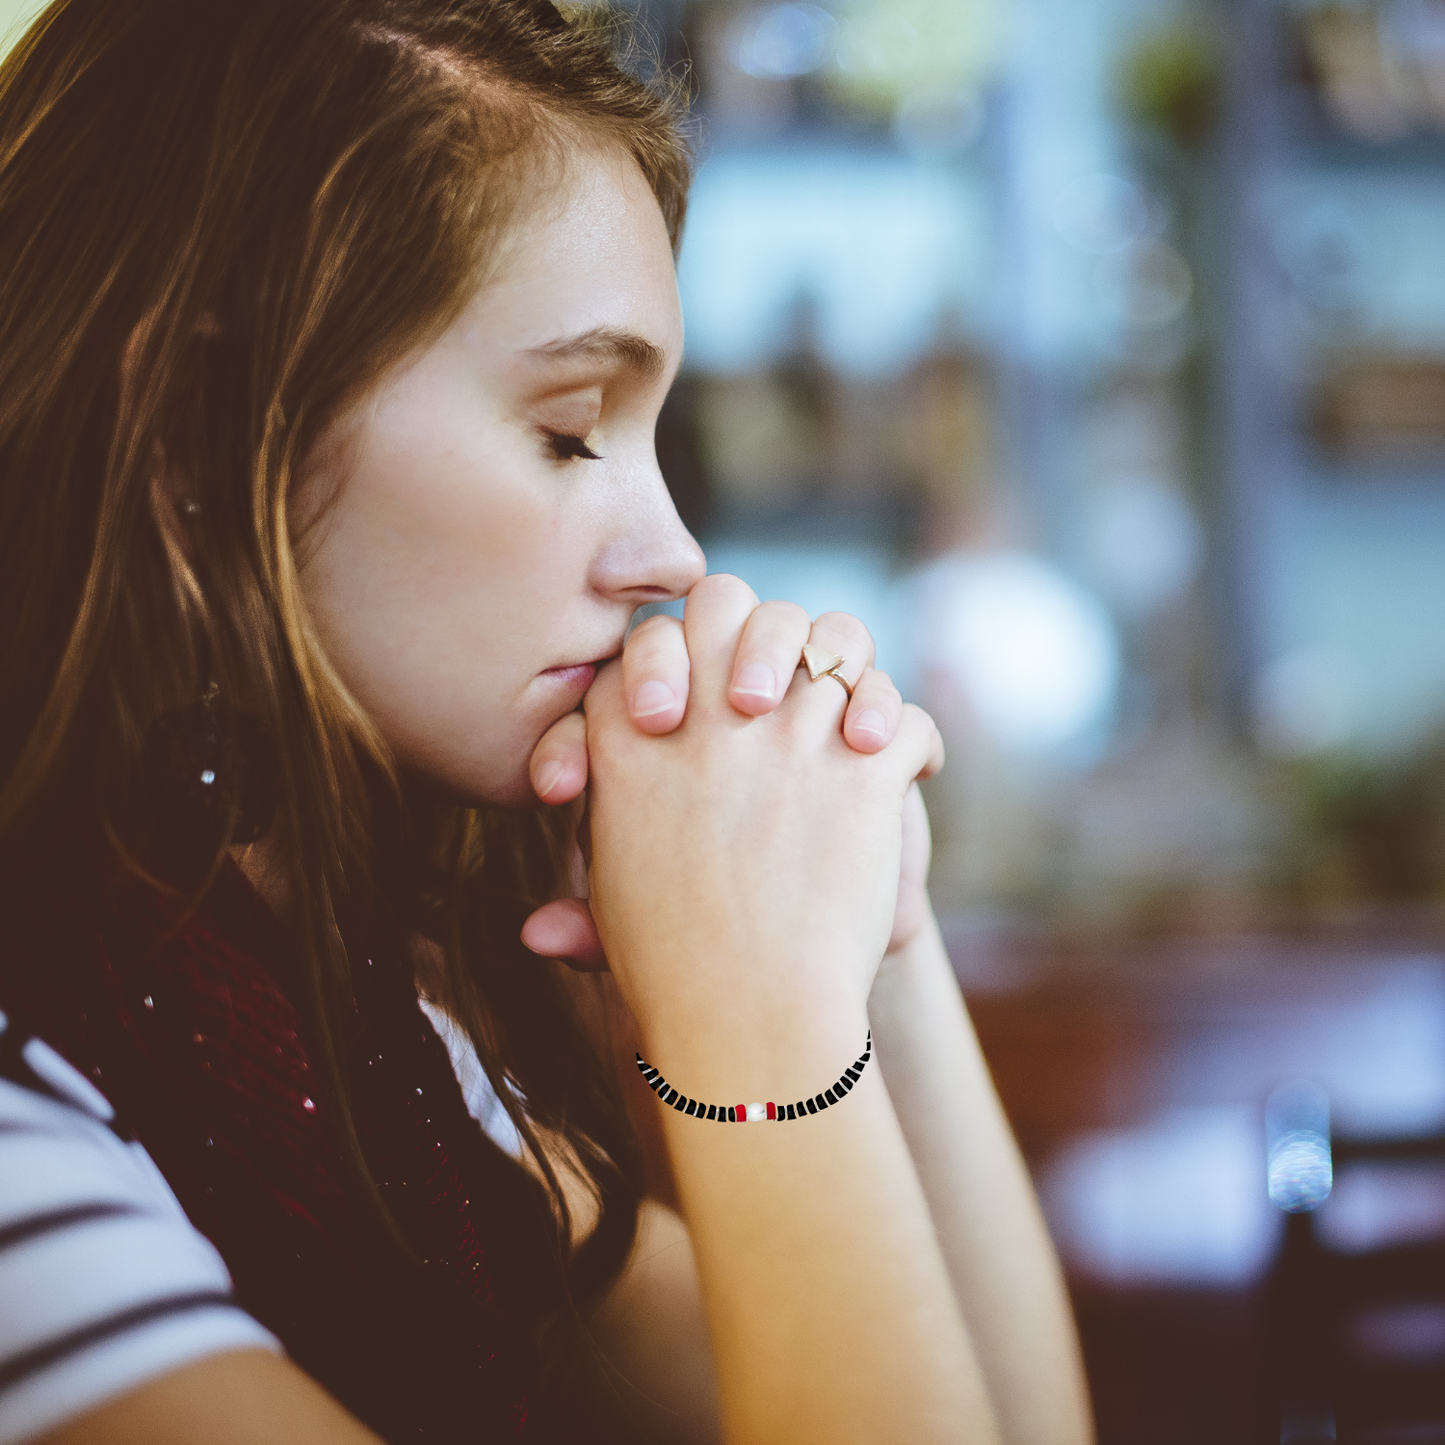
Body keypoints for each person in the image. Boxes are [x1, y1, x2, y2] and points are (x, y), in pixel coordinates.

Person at [0, 1, 1094, 1442]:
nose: (678, 557)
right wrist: (751, 1029)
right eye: (572, 428)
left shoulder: (364, 1035)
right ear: (205, 430)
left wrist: (865, 924)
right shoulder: (36, 1133)